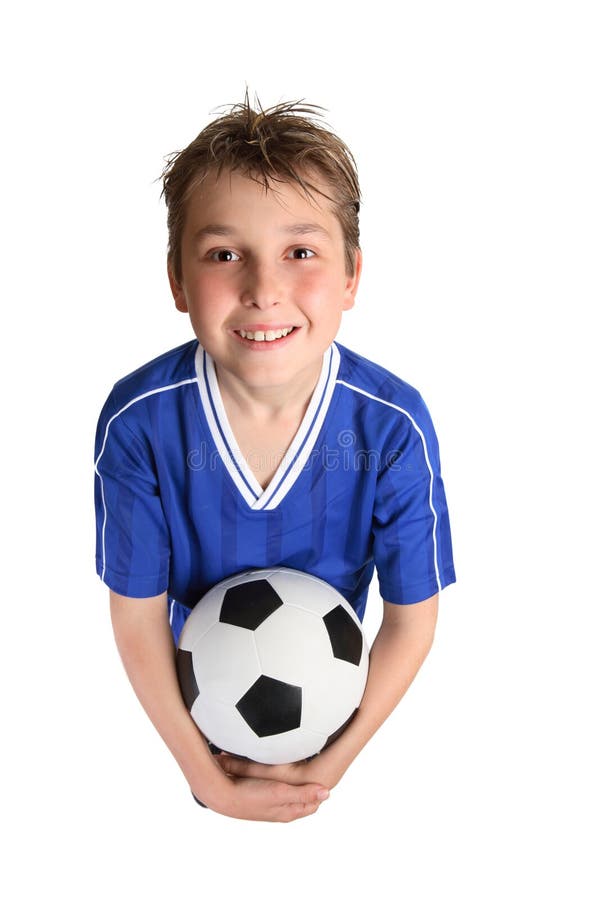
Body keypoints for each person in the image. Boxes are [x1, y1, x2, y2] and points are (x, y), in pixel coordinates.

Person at [94, 95, 456, 822]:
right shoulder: (140, 424)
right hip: (194, 706)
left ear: (353, 276)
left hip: (333, 715)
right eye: (225, 254)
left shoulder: (391, 426)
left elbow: (412, 617)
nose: (264, 290)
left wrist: (329, 768)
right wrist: (208, 782)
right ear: (176, 280)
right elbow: (136, 618)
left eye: (301, 253)